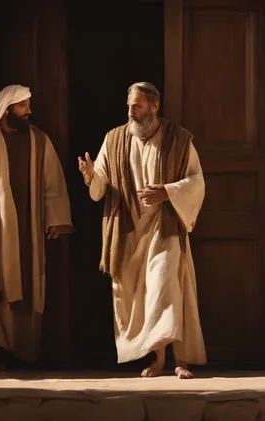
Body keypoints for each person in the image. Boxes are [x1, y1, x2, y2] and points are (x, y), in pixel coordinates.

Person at [78, 82, 207, 379]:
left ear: (154, 106)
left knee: (165, 288)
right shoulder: (115, 139)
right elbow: (100, 185)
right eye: (129, 106)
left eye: (137, 106)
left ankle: (179, 360)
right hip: (129, 229)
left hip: (165, 227)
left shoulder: (178, 139)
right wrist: (89, 177)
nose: (131, 112)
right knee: (140, 296)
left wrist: (168, 192)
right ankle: (158, 357)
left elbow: (196, 180)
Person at [0, 84, 73, 369]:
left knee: (27, 282)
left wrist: (54, 217)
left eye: (28, 105)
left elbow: (52, 181)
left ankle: (25, 351)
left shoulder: (39, 140)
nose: (28, 111)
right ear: (7, 109)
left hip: (28, 227)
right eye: (23, 106)